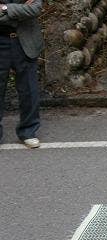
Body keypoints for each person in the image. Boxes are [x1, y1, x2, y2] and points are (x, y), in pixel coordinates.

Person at [0, 0, 43, 148]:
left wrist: (5, 8)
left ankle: (28, 132)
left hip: (25, 41)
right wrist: (21, 10)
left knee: (29, 90)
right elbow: (27, 10)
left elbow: (35, 8)